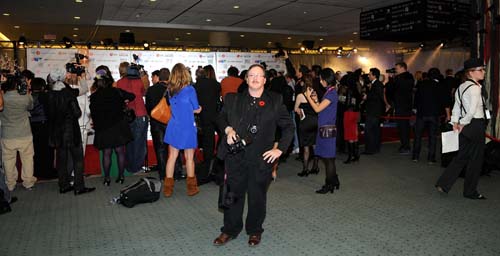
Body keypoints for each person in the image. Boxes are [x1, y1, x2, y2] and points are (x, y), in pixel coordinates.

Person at [213, 64, 294, 247]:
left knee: (257, 197)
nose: (255, 78)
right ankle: (229, 229)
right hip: (235, 157)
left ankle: (255, 230)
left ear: (265, 80)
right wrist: (228, 129)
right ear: (247, 79)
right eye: (251, 75)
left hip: (261, 159)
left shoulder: (275, 100)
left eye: (259, 75)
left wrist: (279, 150)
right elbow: (220, 118)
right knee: (232, 195)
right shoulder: (233, 99)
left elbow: (289, 127)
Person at [435, 59, 489, 200]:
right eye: (480, 70)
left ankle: (443, 184)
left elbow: (456, 107)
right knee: (476, 160)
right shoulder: (475, 88)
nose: (483, 72)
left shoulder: (461, 87)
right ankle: (470, 191)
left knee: (461, 157)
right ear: (471, 72)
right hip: (475, 125)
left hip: (466, 127)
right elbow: (471, 112)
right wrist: (462, 123)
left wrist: (455, 122)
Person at [46, 69, 95, 195]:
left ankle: (63, 185)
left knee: (61, 160)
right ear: (63, 78)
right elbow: (77, 113)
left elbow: (49, 114)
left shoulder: (48, 95)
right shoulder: (69, 93)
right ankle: (79, 187)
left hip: (57, 132)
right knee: (78, 159)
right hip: (71, 132)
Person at [90, 69, 135, 186]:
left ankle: (106, 178)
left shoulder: (94, 96)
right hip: (118, 127)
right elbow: (132, 96)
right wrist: (124, 101)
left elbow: (93, 114)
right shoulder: (117, 92)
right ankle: (121, 177)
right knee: (120, 152)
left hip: (103, 128)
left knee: (106, 153)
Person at [163, 63, 202, 197]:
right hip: (187, 127)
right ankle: (191, 188)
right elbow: (196, 108)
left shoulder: (170, 90)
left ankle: (168, 188)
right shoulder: (190, 90)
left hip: (173, 126)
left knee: (172, 157)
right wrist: (198, 109)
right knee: (189, 158)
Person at [304, 68, 340, 194]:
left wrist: (308, 98)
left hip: (327, 130)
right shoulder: (329, 91)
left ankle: (329, 184)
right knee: (328, 158)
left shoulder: (331, 93)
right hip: (324, 128)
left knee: (328, 159)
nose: (320, 81)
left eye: (321, 79)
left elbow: (318, 109)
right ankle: (334, 181)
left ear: (325, 80)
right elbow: (322, 107)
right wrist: (314, 99)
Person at [0, 75, 36, 191]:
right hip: (24, 133)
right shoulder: (25, 97)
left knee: (8, 160)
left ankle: (10, 184)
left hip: (7, 134)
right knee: (27, 159)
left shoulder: (3, 97)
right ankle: (28, 182)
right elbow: (31, 107)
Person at [116, 62, 149, 173]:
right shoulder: (139, 81)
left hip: (126, 116)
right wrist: (144, 76)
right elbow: (145, 92)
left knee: (129, 142)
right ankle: (136, 167)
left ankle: (129, 166)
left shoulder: (118, 83)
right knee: (140, 143)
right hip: (140, 114)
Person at [194, 65, 221, 185]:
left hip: (202, 117)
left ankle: (206, 168)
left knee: (206, 142)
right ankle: (215, 166)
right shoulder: (216, 84)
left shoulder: (196, 86)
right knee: (214, 140)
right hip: (215, 115)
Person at [412, 68, 444, 163]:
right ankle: (431, 158)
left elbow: (416, 98)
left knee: (418, 136)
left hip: (421, 113)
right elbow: (442, 101)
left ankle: (415, 156)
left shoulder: (421, 84)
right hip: (434, 114)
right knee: (432, 136)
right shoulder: (439, 86)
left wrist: (415, 108)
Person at [145, 68, 170, 181]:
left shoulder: (151, 90)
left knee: (160, 149)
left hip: (156, 123)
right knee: (174, 149)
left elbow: (148, 107)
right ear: (169, 77)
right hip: (170, 123)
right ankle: (175, 172)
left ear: (159, 77)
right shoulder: (172, 90)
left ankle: (162, 174)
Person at [294, 74, 319, 176]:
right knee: (315, 145)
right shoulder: (314, 93)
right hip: (315, 121)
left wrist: (299, 111)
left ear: (303, 82)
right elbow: (318, 107)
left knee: (306, 147)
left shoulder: (300, 95)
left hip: (305, 122)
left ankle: (305, 169)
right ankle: (315, 167)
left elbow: (295, 108)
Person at [393, 62, 415, 154]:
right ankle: (404, 145)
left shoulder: (407, 77)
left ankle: (406, 147)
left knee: (404, 127)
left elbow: (398, 88)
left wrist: (395, 78)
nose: (395, 70)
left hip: (404, 107)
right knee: (401, 128)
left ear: (403, 68)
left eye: (397, 68)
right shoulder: (403, 77)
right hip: (401, 106)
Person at [363, 68, 385, 154]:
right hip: (374, 111)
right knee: (375, 130)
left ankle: (370, 149)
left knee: (369, 130)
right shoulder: (375, 84)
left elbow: (378, 97)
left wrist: (367, 96)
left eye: (370, 74)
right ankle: (375, 148)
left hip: (373, 111)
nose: (368, 76)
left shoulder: (377, 84)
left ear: (374, 75)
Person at [342, 71, 362, 163]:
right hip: (356, 113)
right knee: (355, 135)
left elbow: (347, 103)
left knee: (350, 135)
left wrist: (341, 99)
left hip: (349, 113)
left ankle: (350, 156)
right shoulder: (357, 89)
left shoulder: (349, 90)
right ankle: (356, 155)